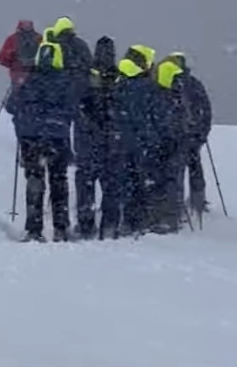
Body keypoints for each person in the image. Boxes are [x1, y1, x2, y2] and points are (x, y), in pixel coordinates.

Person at [5, 39, 73, 242]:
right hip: (57, 137)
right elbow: (72, 108)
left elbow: (12, 106)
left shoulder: (29, 80)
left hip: (31, 137)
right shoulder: (65, 82)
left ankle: (34, 229)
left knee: (35, 179)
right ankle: (61, 228)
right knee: (59, 181)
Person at [110, 44, 158, 237]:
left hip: (120, 142)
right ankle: (138, 221)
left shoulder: (119, 82)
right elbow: (153, 116)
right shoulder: (149, 87)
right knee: (141, 183)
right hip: (143, 143)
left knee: (124, 183)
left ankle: (123, 221)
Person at [75, 36, 118, 239]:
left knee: (85, 183)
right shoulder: (119, 75)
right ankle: (109, 224)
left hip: (87, 139)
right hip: (112, 139)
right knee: (111, 184)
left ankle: (86, 224)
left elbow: (77, 103)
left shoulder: (86, 74)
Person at [167, 52, 212, 217]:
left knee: (176, 169)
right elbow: (206, 109)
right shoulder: (194, 83)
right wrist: (203, 131)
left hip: (179, 135)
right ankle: (198, 201)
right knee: (194, 166)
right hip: (193, 134)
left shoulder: (170, 83)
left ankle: (176, 204)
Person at [150, 56, 188, 233]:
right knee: (171, 180)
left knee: (159, 180)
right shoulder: (177, 96)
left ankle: (158, 217)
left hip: (160, 145)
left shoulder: (156, 95)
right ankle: (171, 217)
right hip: (174, 144)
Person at [0, 20, 42, 87]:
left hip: (19, 76)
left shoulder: (12, 39)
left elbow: (2, 59)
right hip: (36, 76)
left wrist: (13, 63)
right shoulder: (39, 38)